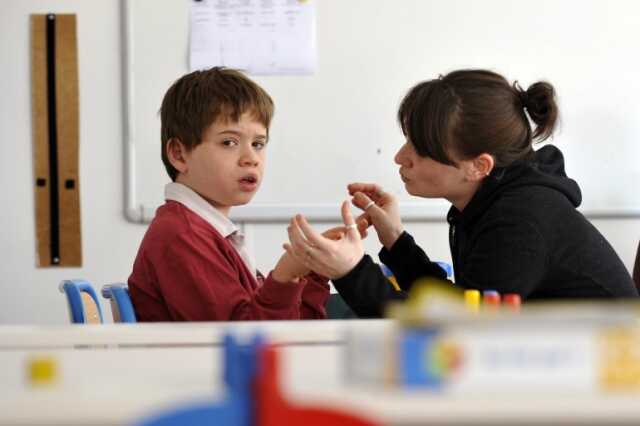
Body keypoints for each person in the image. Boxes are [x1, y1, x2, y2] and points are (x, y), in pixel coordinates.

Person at [284, 69, 638, 318]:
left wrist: (350, 271)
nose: (399, 157)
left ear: (478, 166)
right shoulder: (498, 200)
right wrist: (394, 240)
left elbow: (450, 333)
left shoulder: (520, 220)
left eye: (419, 148)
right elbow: (455, 305)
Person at [128, 67, 331, 321]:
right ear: (179, 154)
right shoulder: (183, 235)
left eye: (258, 144)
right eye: (229, 143)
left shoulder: (204, 230)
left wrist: (312, 269)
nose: (251, 159)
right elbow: (244, 341)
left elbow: (291, 332)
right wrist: (284, 275)